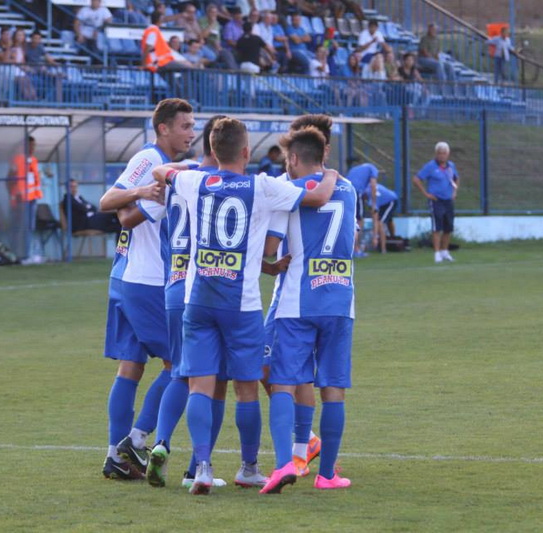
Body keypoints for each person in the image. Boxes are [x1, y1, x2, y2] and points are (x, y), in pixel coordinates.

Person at [151, 117, 340, 495]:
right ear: (245, 151)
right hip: (242, 305)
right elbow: (318, 196)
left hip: (198, 300)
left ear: (212, 150)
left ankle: (202, 469)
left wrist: (183, 168)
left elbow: (160, 171)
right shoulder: (262, 186)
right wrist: (332, 174)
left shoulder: (195, 181)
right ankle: (249, 467)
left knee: (200, 386)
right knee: (246, 389)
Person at [120, 115, 231, 489]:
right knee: (215, 381)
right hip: (212, 290)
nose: (190, 132)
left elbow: (129, 217)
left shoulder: (177, 180)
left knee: (177, 371)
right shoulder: (229, 185)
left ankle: (157, 442)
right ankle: (199, 467)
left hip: (173, 285)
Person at [96, 99, 195, 481]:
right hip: (148, 281)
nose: (191, 133)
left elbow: (122, 209)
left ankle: (115, 458)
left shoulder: (162, 165)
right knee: (180, 366)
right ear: (163, 128)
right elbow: (114, 207)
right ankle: (135, 441)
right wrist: (148, 193)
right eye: (185, 126)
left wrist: (143, 194)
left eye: (193, 126)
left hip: (128, 276)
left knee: (131, 366)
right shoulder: (151, 159)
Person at [261, 125, 355, 494]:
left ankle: (285, 462)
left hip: (298, 301)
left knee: (283, 382)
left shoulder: (290, 191)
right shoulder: (348, 188)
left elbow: (270, 249)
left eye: (288, 159)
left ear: (295, 158)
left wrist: (269, 261)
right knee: (333, 388)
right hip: (340, 300)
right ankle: (327, 475)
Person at [413, 142, 458, 263]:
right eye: (439, 153)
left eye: (444, 153)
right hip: (436, 200)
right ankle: (437, 253)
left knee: (448, 227)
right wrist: (426, 194)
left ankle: (445, 251)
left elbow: (456, 178)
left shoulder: (451, 166)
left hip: (448, 200)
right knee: (437, 227)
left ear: (448, 154)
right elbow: (416, 179)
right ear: (436, 154)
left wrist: (454, 192)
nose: (442, 156)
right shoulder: (430, 166)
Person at [345, 160, 378, 255]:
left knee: (349, 221)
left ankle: (348, 248)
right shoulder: (372, 168)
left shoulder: (355, 169)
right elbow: (373, 186)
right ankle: (356, 249)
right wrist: (374, 204)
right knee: (359, 222)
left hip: (345, 191)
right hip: (355, 192)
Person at [364, 181, 398, 254]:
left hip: (391, 201)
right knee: (388, 220)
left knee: (380, 223)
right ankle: (392, 240)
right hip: (384, 201)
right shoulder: (367, 187)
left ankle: (383, 249)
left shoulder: (370, 197)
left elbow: (375, 219)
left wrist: (375, 237)